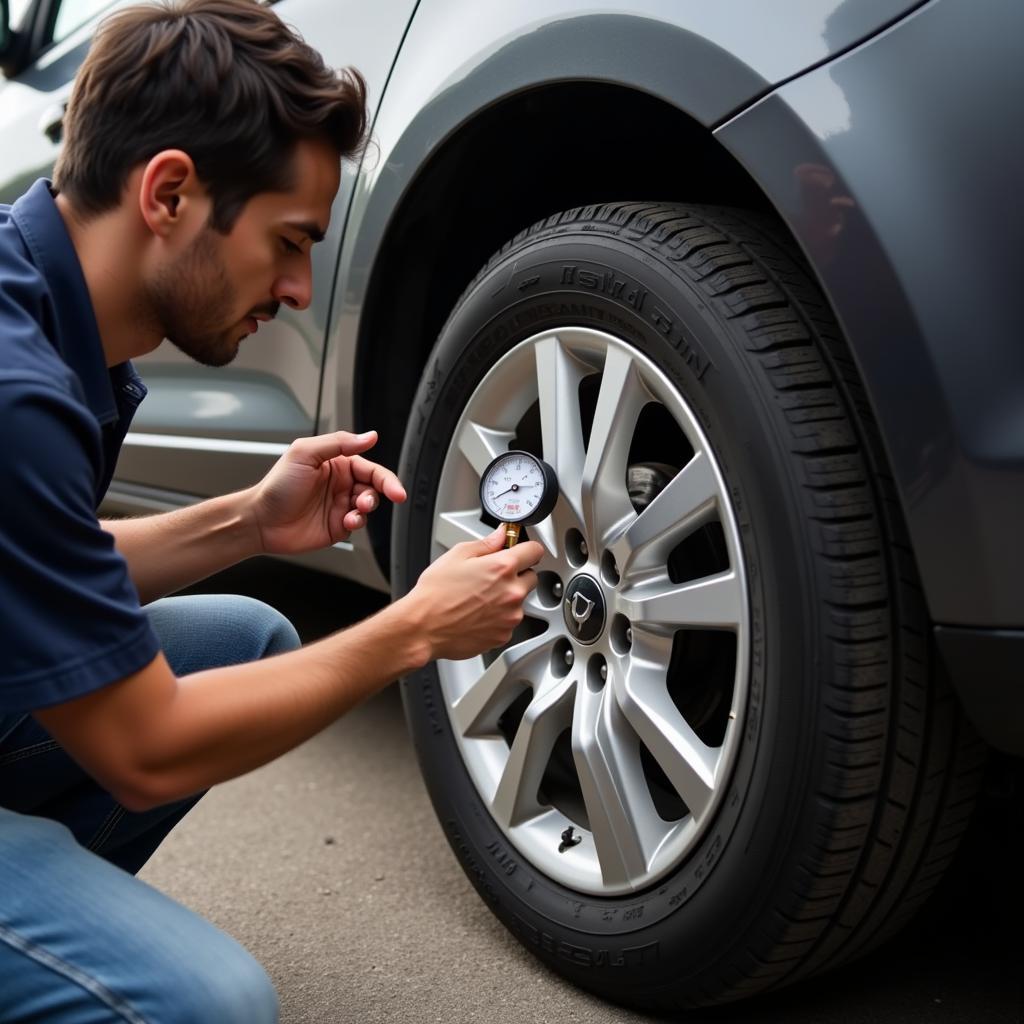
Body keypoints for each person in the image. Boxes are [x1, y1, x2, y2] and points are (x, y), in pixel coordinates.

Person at [0, 1, 544, 1020]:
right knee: (210, 1001)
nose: (299, 288)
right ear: (169, 191)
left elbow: (39, 564)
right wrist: (410, 629)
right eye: (288, 241)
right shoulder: (15, 390)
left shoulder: (32, 294)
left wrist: (249, 521)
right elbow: (146, 746)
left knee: (245, 636)